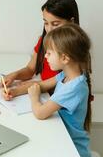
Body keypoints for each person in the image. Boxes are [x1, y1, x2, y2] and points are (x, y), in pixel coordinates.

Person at [0, 0, 80, 100]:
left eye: (55, 24)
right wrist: (15, 75)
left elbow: (65, 85)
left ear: (71, 21)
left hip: (58, 100)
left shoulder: (75, 51)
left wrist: (33, 86)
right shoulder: (43, 40)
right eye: (46, 23)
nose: (49, 29)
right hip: (43, 93)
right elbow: (30, 69)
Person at [28, 23, 92, 157]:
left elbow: (40, 113)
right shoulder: (67, 75)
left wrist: (34, 98)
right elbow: (42, 85)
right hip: (62, 139)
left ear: (64, 58)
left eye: (49, 53)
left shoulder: (74, 88)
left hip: (72, 149)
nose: (45, 56)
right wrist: (16, 90)